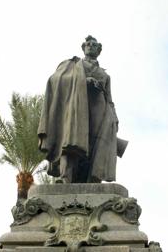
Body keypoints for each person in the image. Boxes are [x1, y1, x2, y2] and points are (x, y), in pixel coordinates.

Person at [38, 36, 126, 183]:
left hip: (101, 112)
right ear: (83, 47)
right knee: (71, 142)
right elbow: (55, 80)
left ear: (99, 49)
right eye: (88, 44)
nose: (90, 46)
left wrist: (114, 118)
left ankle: (93, 181)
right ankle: (65, 177)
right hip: (76, 110)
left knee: (96, 148)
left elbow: (109, 99)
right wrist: (82, 81)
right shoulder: (72, 65)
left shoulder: (105, 75)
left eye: (94, 45)